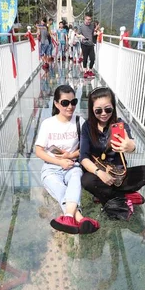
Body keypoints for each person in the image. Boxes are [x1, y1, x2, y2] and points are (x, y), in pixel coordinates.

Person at [35, 85, 100, 235]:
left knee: (76, 180)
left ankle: (69, 217)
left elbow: (85, 149)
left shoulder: (79, 122)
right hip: (51, 167)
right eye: (65, 103)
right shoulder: (48, 124)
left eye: (73, 102)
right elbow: (39, 151)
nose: (70, 107)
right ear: (56, 104)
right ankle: (80, 218)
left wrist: (69, 156)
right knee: (61, 190)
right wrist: (60, 162)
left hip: (73, 165)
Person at [80, 87, 145, 207]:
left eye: (108, 109)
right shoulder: (87, 127)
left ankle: (106, 195)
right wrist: (100, 173)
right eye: (98, 111)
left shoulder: (120, 125)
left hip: (118, 174)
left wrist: (130, 147)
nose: (104, 114)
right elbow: (83, 157)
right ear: (92, 109)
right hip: (98, 174)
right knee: (86, 181)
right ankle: (121, 196)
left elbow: (130, 143)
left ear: (113, 107)